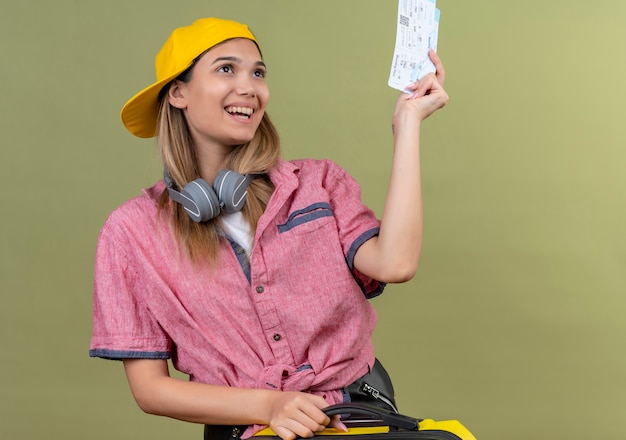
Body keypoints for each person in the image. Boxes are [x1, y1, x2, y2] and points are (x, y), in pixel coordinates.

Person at [89, 17, 447, 440]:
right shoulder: (131, 233)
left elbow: (396, 262)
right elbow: (150, 389)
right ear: (178, 92)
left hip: (358, 414)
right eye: (226, 69)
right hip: (246, 428)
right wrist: (269, 405)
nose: (250, 88)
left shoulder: (318, 185)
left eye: (258, 73)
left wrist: (407, 125)